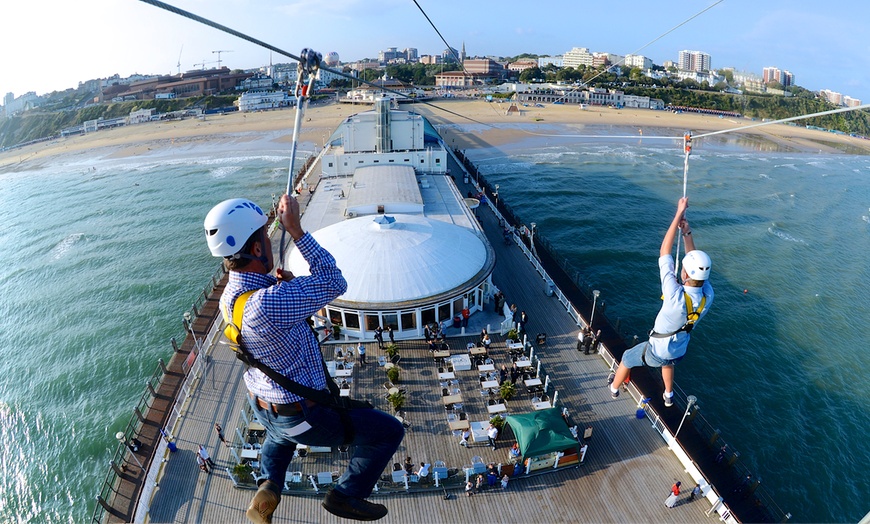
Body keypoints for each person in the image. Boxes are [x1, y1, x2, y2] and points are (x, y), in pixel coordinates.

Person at [205, 196, 403, 523]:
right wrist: (296, 230)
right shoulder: (269, 302)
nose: (269, 243)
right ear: (256, 250)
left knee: (280, 437)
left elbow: (268, 318)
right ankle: (346, 495)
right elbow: (334, 281)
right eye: (266, 239)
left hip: (263, 403)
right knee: (388, 432)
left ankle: (269, 485)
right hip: (301, 414)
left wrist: (288, 289)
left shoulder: (232, 298)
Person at [607, 197, 713, 407]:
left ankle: (613, 389)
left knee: (628, 358)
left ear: (683, 273)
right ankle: (668, 394)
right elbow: (695, 265)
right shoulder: (708, 296)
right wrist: (687, 231)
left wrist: (678, 216)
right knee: (668, 362)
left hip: (659, 350)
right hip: (679, 351)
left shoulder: (674, 294)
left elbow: (665, 252)